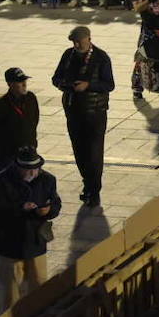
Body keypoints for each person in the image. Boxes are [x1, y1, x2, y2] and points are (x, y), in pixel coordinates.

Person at [51, 25, 114, 207]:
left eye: (79, 41)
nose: (76, 44)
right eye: (74, 42)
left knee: (94, 152)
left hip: (95, 111)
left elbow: (109, 84)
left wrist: (88, 85)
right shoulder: (68, 55)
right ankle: (87, 184)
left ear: (89, 38)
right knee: (79, 150)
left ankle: (93, 189)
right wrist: (65, 84)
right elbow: (56, 78)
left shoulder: (101, 57)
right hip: (73, 109)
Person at [0, 147, 61, 311]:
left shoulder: (47, 180)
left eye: (35, 169)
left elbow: (55, 203)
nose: (32, 173)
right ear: (19, 168)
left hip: (35, 242)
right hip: (9, 245)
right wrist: (20, 207)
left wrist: (48, 211)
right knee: (10, 292)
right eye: (28, 170)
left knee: (39, 285)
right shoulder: (3, 181)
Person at [0, 68, 39, 168]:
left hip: (30, 150)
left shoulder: (31, 98)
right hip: (9, 153)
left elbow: (35, 119)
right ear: (10, 84)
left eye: (24, 80)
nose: (24, 84)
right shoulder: (2, 104)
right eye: (20, 82)